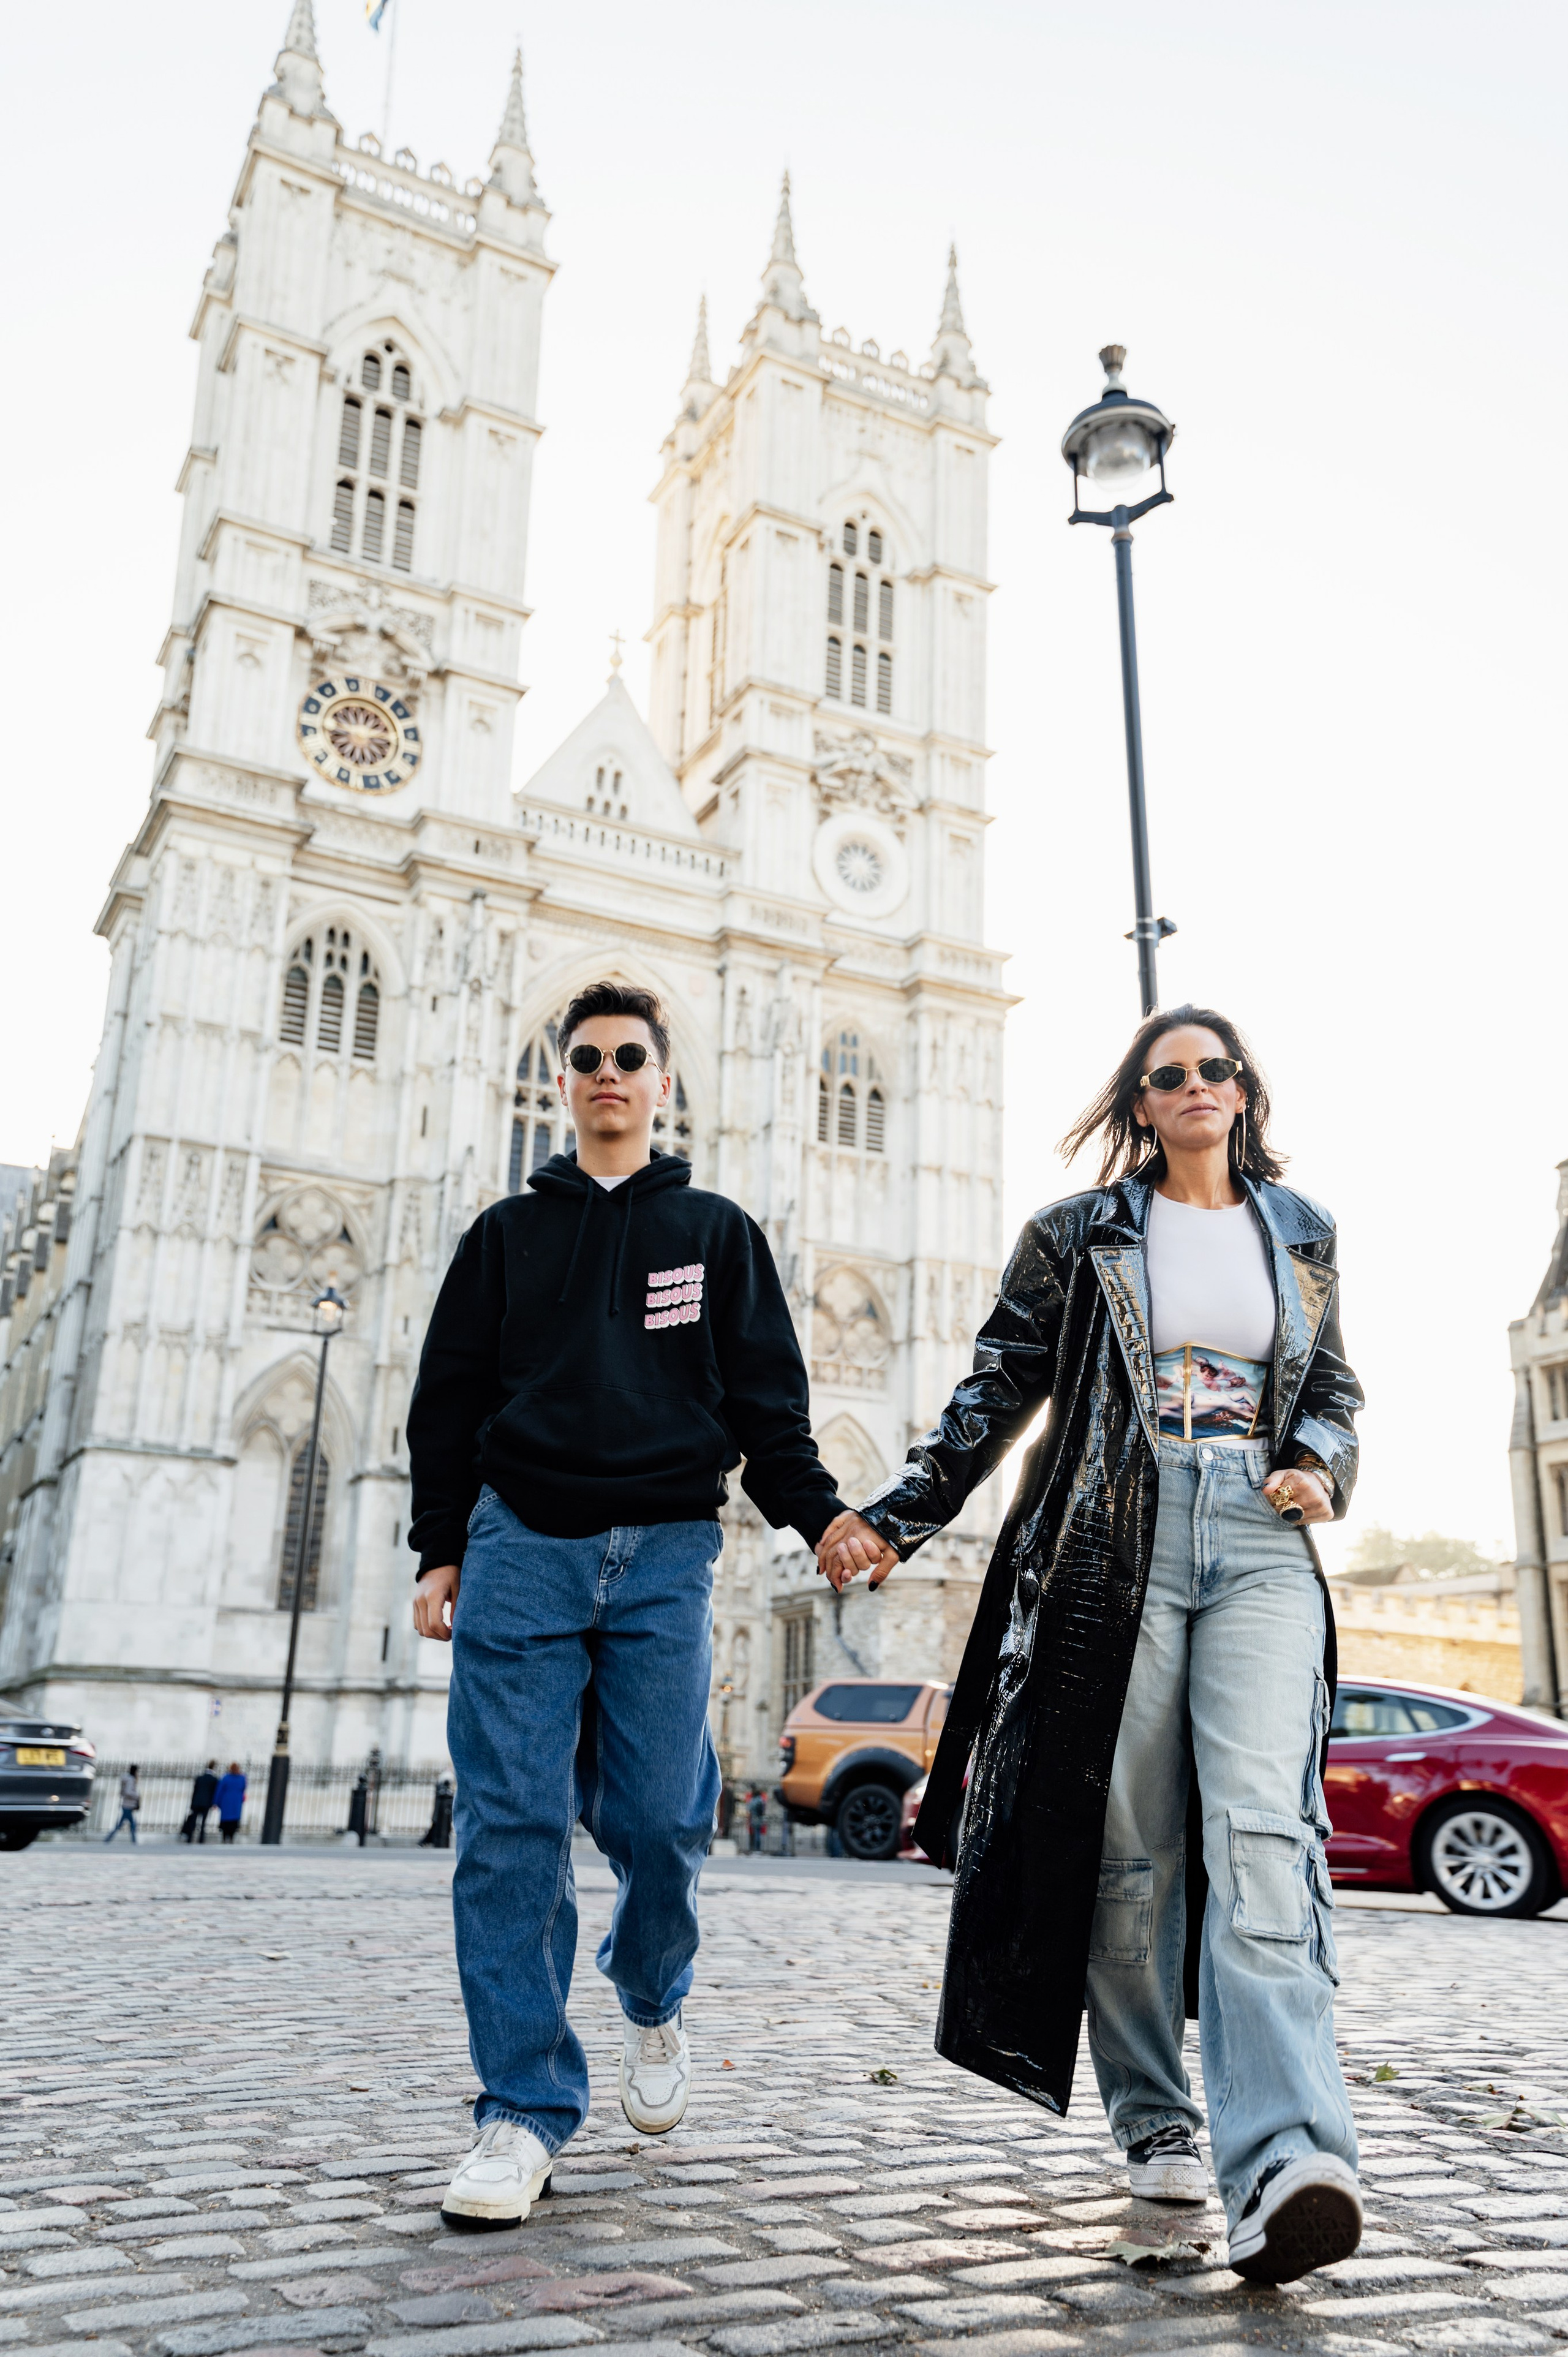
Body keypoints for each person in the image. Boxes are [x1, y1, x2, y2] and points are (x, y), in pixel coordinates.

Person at [818, 1006, 1364, 2288]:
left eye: (1211, 1069)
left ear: (1243, 1091)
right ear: (1139, 1102)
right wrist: (895, 1515)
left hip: (1258, 1529)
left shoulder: (1301, 1233)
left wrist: (1317, 1463)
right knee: (1129, 1843)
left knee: (1257, 1834)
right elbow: (994, 1386)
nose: (1192, 1087)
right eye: (1165, 1074)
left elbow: (1331, 1384)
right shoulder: (1079, 1235)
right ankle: (1153, 2119)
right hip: (1110, 1537)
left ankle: (1287, 2156)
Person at [408, 980, 847, 2234]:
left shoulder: (712, 1230)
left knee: (659, 1815)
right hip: (519, 1543)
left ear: (662, 1082)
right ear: (562, 1082)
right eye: (586, 1057)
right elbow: (447, 1398)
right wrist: (440, 1545)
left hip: (662, 1546)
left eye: (629, 1058)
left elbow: (769, 1409)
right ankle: (521, 2109)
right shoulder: (505, 1232)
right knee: (509, 1824)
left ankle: (651, 1991)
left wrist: (819, 1519)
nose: (606, 1073)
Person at [181, 1760, 219, 1844]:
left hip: (196, 1803)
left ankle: (190, 1838)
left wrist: (192, 1803)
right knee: (203, 1823)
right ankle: (201, 1839)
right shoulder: (214, 1780)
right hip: (206, 1804)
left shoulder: (199, 1778)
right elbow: (214, 1793)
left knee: (193, 1821)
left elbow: (195, 1791)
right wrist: (214, 1803)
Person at [104, 1765, 141, 1844]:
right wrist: (137, 1796)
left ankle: (108, 1839)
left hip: (127, 1804)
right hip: (128, 1805)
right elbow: (128, 1792)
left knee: (128, 1824)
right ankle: (134, 1841)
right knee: (128, 1824)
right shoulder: (131, 1780)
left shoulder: (127, 1780)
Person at [214, 1762, 246, 1842]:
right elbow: (244, 1788)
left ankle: (225, 1837)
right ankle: (232, 1837)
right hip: (237, 1801)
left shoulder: (226, 1778)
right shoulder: (242, 1778)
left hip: (226, 1800)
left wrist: (216, 1802)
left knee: (226, 1819)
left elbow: (220, 1790)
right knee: (234, 1820)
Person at [421, 1774, 455, 1849]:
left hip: (442, 1816)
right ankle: (425, 1842)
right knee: (436, 1829)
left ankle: (425, 1842)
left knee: (438, 1829)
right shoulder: (442, 1793)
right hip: (440, 1815)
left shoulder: (443, 1793)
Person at [746, 1787, 767, 1855]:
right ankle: (757, 1848)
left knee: (755, 1833)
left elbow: (749, 1808)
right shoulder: (761, 1800)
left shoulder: (752, 1800)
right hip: (759, 1817)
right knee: (758, 1833)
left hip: (754, 1817)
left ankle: (754, 1847)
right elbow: (763, 1809)